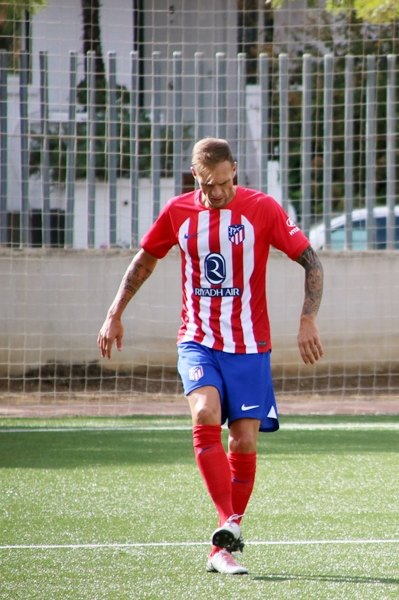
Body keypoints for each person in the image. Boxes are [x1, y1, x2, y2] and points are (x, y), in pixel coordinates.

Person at [97, 138, 324, 576]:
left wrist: (307, 319)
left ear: (234, 171)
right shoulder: (180, 213)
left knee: (243, 441)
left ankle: (224, 541)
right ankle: (230, 523)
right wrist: (115, 313)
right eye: (206, 182)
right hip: (198, 340)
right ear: (194, 174)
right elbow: (146, 258)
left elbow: (311, 262)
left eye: (222, 181)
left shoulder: (263, 209)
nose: (215, 191)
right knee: (204, 412)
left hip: (250, 346)